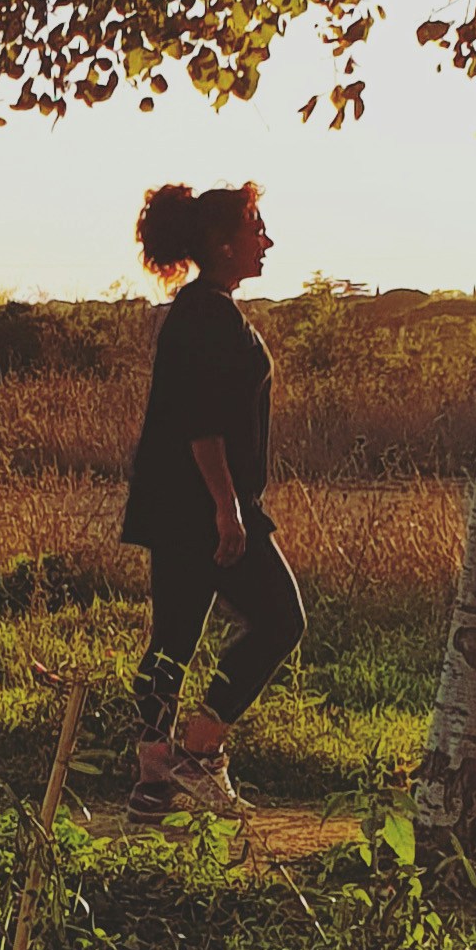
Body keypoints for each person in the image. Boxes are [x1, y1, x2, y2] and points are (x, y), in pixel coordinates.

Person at [118, 180, 306, 824]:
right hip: (205, 507)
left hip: (178, 506)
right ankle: (200, 751)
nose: (267, 239)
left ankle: (152, 780)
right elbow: (203, 425)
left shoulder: (203, 310)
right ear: (224, 245)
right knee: (282, 620)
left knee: (173, 637)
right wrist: (228, 509)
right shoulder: (207, 316)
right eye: (257, 228)